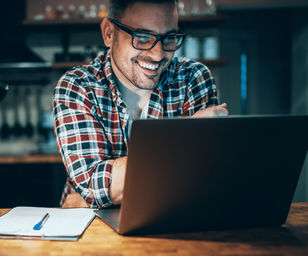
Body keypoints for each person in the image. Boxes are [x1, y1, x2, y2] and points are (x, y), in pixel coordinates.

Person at [52, 0, 229, 209]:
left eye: (169, 38)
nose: (158, 54)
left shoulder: (194, 78)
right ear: (109, 33)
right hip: (92, 234)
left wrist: (97, 197)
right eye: (143, 37)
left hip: (172, 226)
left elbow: (203, 181)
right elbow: (94, 185)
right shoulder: (78, 86)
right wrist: (188, 134)